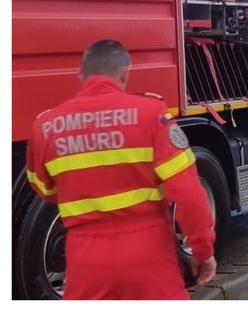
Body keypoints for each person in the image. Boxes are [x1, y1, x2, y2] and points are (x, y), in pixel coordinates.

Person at [26, 40, 216, 299]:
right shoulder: (152, 115)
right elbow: (190, 195)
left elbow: (46, 190)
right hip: (149, 257)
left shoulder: (45, 127)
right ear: (125, 72)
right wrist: (203, 252)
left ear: (81, 75)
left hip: (86, 263)